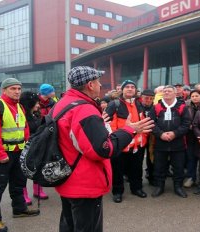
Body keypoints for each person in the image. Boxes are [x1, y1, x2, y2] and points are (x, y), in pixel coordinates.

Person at [53, 66, 153, 232]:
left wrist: (101, 124)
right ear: (90, 84)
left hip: (68, 177)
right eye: (98, 81)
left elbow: (77, 138)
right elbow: (103, 149)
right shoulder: (84, 109)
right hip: (84, 182)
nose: (101, 86)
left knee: (69, 224)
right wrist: (130, 130)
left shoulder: (64, 102)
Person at [0, 78, 40, 232]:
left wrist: (27, 149)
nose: (17, 91)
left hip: (18, 152)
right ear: (4, 90)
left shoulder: (19, 106)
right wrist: (0, 154)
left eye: (19, 89)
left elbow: (24, 128)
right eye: (13, 88)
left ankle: (19, 209)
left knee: (19, 183)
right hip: (2, 154)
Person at [105, 80, 149, 203]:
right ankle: (117, 192)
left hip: (137, 144)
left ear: (135, 90)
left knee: (137, 168)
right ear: (122, 90)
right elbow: (107, 124)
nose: (130, 89)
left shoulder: (140, 104)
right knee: (117, 169)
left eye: (132, 87)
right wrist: (115, 139)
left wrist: (143, 137)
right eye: (127, 87)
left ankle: (137, 188)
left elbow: (144, 121)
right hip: (119, 144)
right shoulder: (114, 104)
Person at [150, 85, 191, 198]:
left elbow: (186, 124)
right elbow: (151, 123)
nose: (166, 93)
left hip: (178, 143)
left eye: (169, 91)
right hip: (160, 142)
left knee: (178, 167)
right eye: (165, 91)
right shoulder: (156, 107)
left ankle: (178, 187)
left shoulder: (183, 107)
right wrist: (161, 134)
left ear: (175, 93)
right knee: (159, 166)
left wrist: (175, 133)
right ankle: (159, 186)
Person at [19, 91, 41, 206]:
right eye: (36, 103)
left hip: (36, 146)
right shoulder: (22, 116)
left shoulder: (36, 114)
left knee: (37, 167)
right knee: (23, 171)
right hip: (25, 146)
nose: (38, 105)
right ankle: (24, 194)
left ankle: (38, 190)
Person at [183, 89, 200, 188]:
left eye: (197, 96)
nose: (195, 98)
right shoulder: (186, 106)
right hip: (190, 135)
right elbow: (183, 119)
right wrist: (188, 126)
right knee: (191, 157)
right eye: (193, 96)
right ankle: (191, 177)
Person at [140, 89, 155, 186]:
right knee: (138, 158)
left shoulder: (155, 108)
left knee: (151, 159)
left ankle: (151, 177)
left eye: (151, 98)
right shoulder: (137, 107)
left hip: (152, 136)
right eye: (146, 98)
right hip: (140, 135)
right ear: (141, 97)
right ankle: (135, 179)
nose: (148, 100)